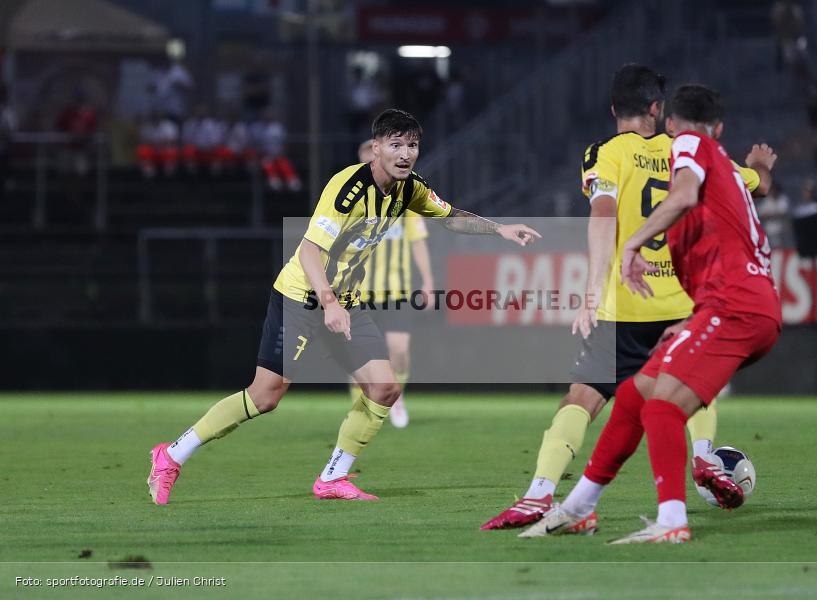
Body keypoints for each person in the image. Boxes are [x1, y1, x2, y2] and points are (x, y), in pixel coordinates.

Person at [147, 109, 541, 505]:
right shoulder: (348, 188)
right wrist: (330, 303)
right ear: (375, 149)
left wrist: (500, 229)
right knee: (265, 397)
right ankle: (171, 455)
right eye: (396, 144)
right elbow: (309, 252)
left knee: (385, 388)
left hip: (345, 301)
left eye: (413, 145)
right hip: (302, 297)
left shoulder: (411, 188)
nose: (405, 153)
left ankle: (332, 477)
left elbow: (451, 216)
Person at [481, 64, 775, 532]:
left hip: (626, 305)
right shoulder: (688, 149)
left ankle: (540, 494)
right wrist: (761, 164)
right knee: (692, 388)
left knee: (583, 397)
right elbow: (756, 183)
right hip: (683, 303)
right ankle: (704, 459)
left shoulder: (605, 153)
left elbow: (603, 214)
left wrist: (592, 289)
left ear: (614, 109)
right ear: (658, 110)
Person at [351, 139, 435, 428]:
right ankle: (360, 404)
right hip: (356, 290)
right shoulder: (349, 200)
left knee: (398, 349)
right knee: (356, 354)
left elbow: (417, 241)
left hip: (397, 290)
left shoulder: (405, 197)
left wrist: (428, 281)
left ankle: (395, 398)